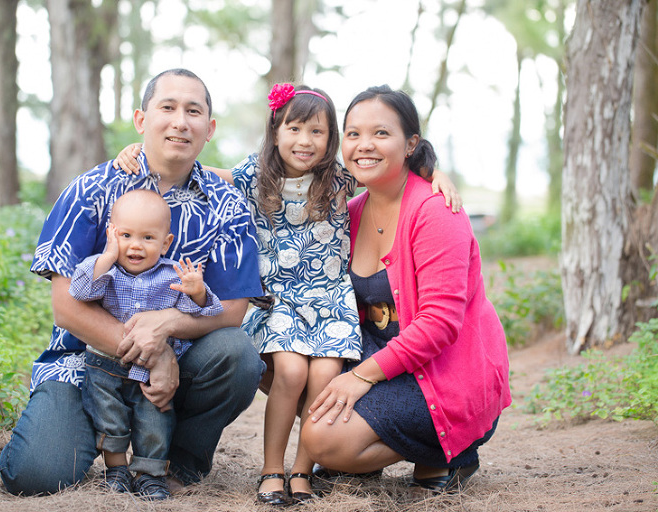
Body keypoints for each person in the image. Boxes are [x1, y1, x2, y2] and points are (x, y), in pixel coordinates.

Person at [114, 83, 463, 504]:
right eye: (294, 129)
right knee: (292, 373)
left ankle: (303, 469)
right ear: (276, 132)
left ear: (331, 138)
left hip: (331, 301)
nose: (305, 141)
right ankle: (271, 469)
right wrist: (137, 152)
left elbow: (389, 168)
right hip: (279, 300)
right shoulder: (254, 176)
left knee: (323, 374)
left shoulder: (339, 178)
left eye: (317, 132)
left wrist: (433, 172)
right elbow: (199, 173)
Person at [0, 68, 265, 496]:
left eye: (193, 111)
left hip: (179, 375)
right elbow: (66, 306)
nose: (180, 121)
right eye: (168, 107)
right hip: (86, 364)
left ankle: (177, 458)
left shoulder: (227, 205)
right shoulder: (92, 189)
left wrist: (166, 327)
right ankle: (81, 432)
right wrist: (151, 357)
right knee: (33, 475)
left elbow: (233, 309)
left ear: (209, 128)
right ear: (142, 120)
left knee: (239, 357)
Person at [300, 85, 511, 494]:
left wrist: (359, 377)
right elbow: (265, 178)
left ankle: (449, 451)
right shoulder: (349, 212)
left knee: (322, 439)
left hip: (442, 373)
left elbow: (438, 324)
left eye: (381, 133)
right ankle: (365, 454)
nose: (364, 145)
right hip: (382, 360)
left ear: (411, 143)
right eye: (354, 134)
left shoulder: (435, 211)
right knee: (283, 365)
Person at [69, 189, 224, 499]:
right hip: (105, 364)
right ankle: (116, 471)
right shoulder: (104, 268)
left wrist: (197, 292)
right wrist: (108, 255)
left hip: (151, 370)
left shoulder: (172, 275)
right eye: (126, 235)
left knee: (154, 418)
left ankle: (149, 474)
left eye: (148, 238)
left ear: (165, 242)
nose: (136, 245)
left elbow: (206, 311)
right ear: (112, 234)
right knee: (108, 418)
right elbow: (81, 291)